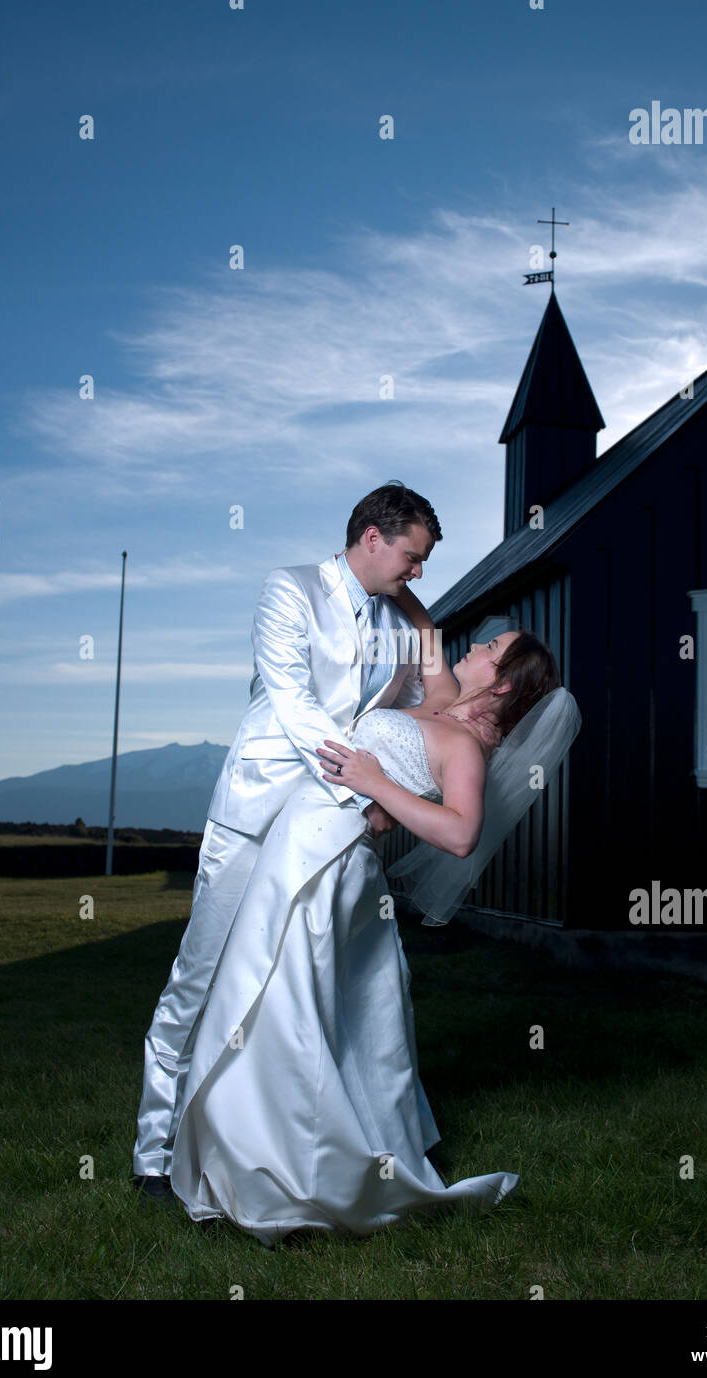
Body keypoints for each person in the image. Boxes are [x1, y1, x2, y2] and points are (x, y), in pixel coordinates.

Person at [166, 581, 580, 1247]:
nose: (473, 647)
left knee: (282, 1007)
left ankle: (289, 1177)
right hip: (296, 842)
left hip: (330, 863)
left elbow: (459, 835)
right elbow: (423, 638)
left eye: (490, 649)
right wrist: (398, 579)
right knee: (257, 997)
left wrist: (376, 784)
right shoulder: (440, 704)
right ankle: (240, 1164)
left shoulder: (466, 748)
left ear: (503, 686)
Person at [132, 482, 443, 1199]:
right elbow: (293, 700)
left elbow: (421, 709)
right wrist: (364, 790)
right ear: (371, 536)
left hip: (335, 825)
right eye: (411, 556)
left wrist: (396, 786)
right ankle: (154, 1151)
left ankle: (360, 1141)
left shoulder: (401, 624)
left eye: (423, 561)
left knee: (346, 979)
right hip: (263, 808)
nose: (417, 572)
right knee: (200, 977)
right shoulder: (289, 588)